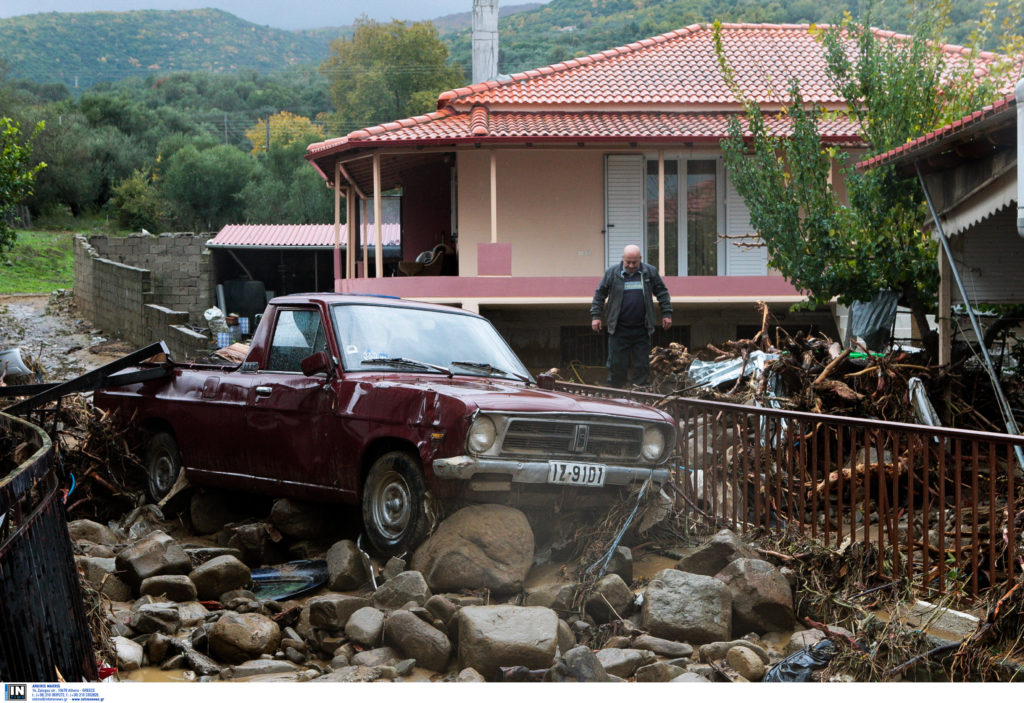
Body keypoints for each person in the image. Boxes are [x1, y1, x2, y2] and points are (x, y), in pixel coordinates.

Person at [590, 244, 672, 387]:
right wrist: (596, 316)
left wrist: (667, 313)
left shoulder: (649, 272)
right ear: (623, 259)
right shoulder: (612, 273)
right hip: (618, 328)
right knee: (617, 365)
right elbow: (600, 294)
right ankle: (616, 396)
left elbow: (662, 292)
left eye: (634, 262)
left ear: (640, 259)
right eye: (628, 262)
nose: (631, 265)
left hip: (642, 328)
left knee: (642, 365)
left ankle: (640, 396)